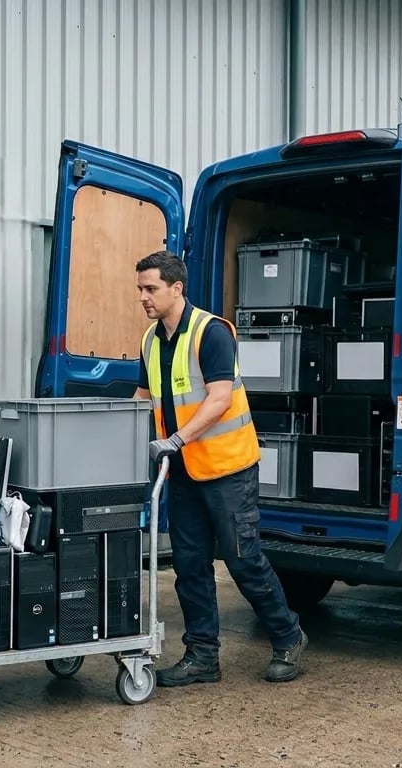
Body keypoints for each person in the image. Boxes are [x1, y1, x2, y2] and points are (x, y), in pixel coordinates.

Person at [132, 250, 307, 686]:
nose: (143, 298)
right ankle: (202, 656)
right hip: (185, 470)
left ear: (176, 288)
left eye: (150, 288)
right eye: (139, 289)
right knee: (190, 565)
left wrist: (174, 440)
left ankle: (288, 636)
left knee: (242, 559)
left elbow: (219, 398)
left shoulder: (210, 332)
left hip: (227, 466)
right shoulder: (150, 340)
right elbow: (141, 397)